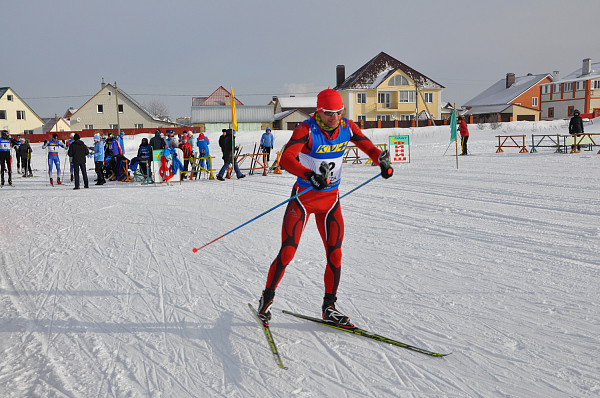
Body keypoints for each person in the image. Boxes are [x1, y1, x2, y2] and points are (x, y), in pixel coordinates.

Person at [256, 89, 393, 326]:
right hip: (303, 200)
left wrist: (381, 160)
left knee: (336, 255)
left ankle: (329, 307)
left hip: (330, 202)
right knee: (288, 251)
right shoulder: (306, 129)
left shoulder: (347, 127)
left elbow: (369, 148)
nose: (334, 117)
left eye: (338, 112)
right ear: (319, 111)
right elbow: (287, 158)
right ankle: (266, 300)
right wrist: (309, 175)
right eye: (329, 113)